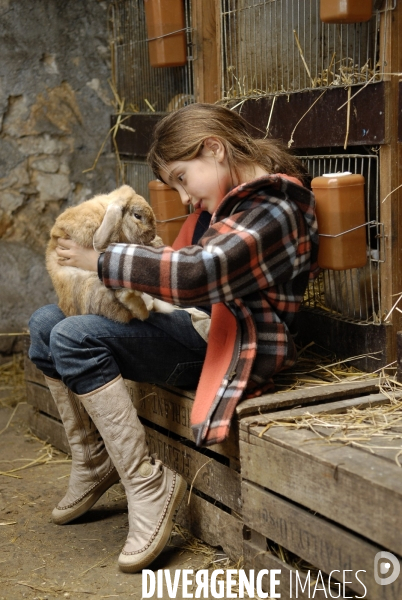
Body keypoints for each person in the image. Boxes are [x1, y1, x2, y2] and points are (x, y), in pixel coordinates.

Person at [28, 103, 319, 573]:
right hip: (191, 323)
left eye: (183, 178)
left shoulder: (276, 205)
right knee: (45, 323)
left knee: (74, 337)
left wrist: (101, 262)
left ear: (214, 148)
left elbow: (202, 272)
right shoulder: (229, 200)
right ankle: (94, 458)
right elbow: (183, 265)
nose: (183, 197)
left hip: (230, 342)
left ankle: (147, 484)